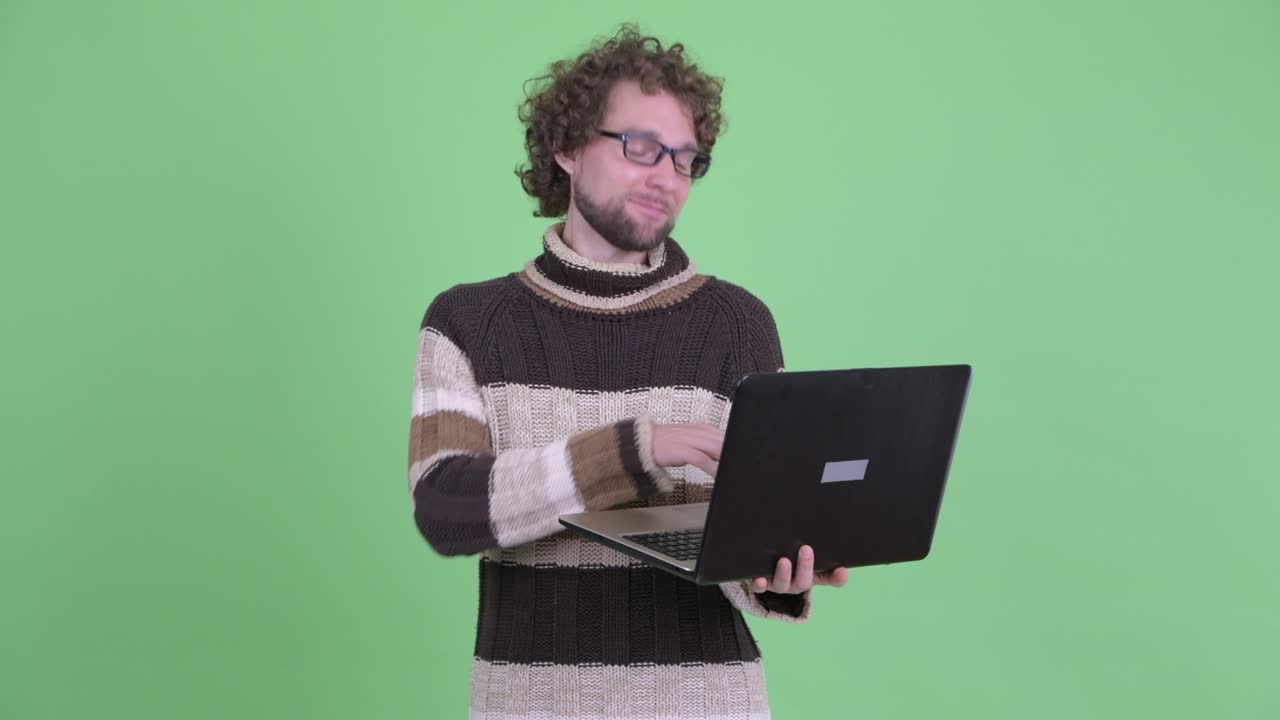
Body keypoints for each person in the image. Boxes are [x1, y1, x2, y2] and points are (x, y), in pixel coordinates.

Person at [407, 24, 848, 719]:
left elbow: (751, 536)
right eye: (640, 147)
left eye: (685, 159)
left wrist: (778, 575)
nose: (665, 176)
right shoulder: (468, 321)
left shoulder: (738, 324)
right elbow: (445, 508)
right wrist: (636, 450)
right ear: (567, 147)